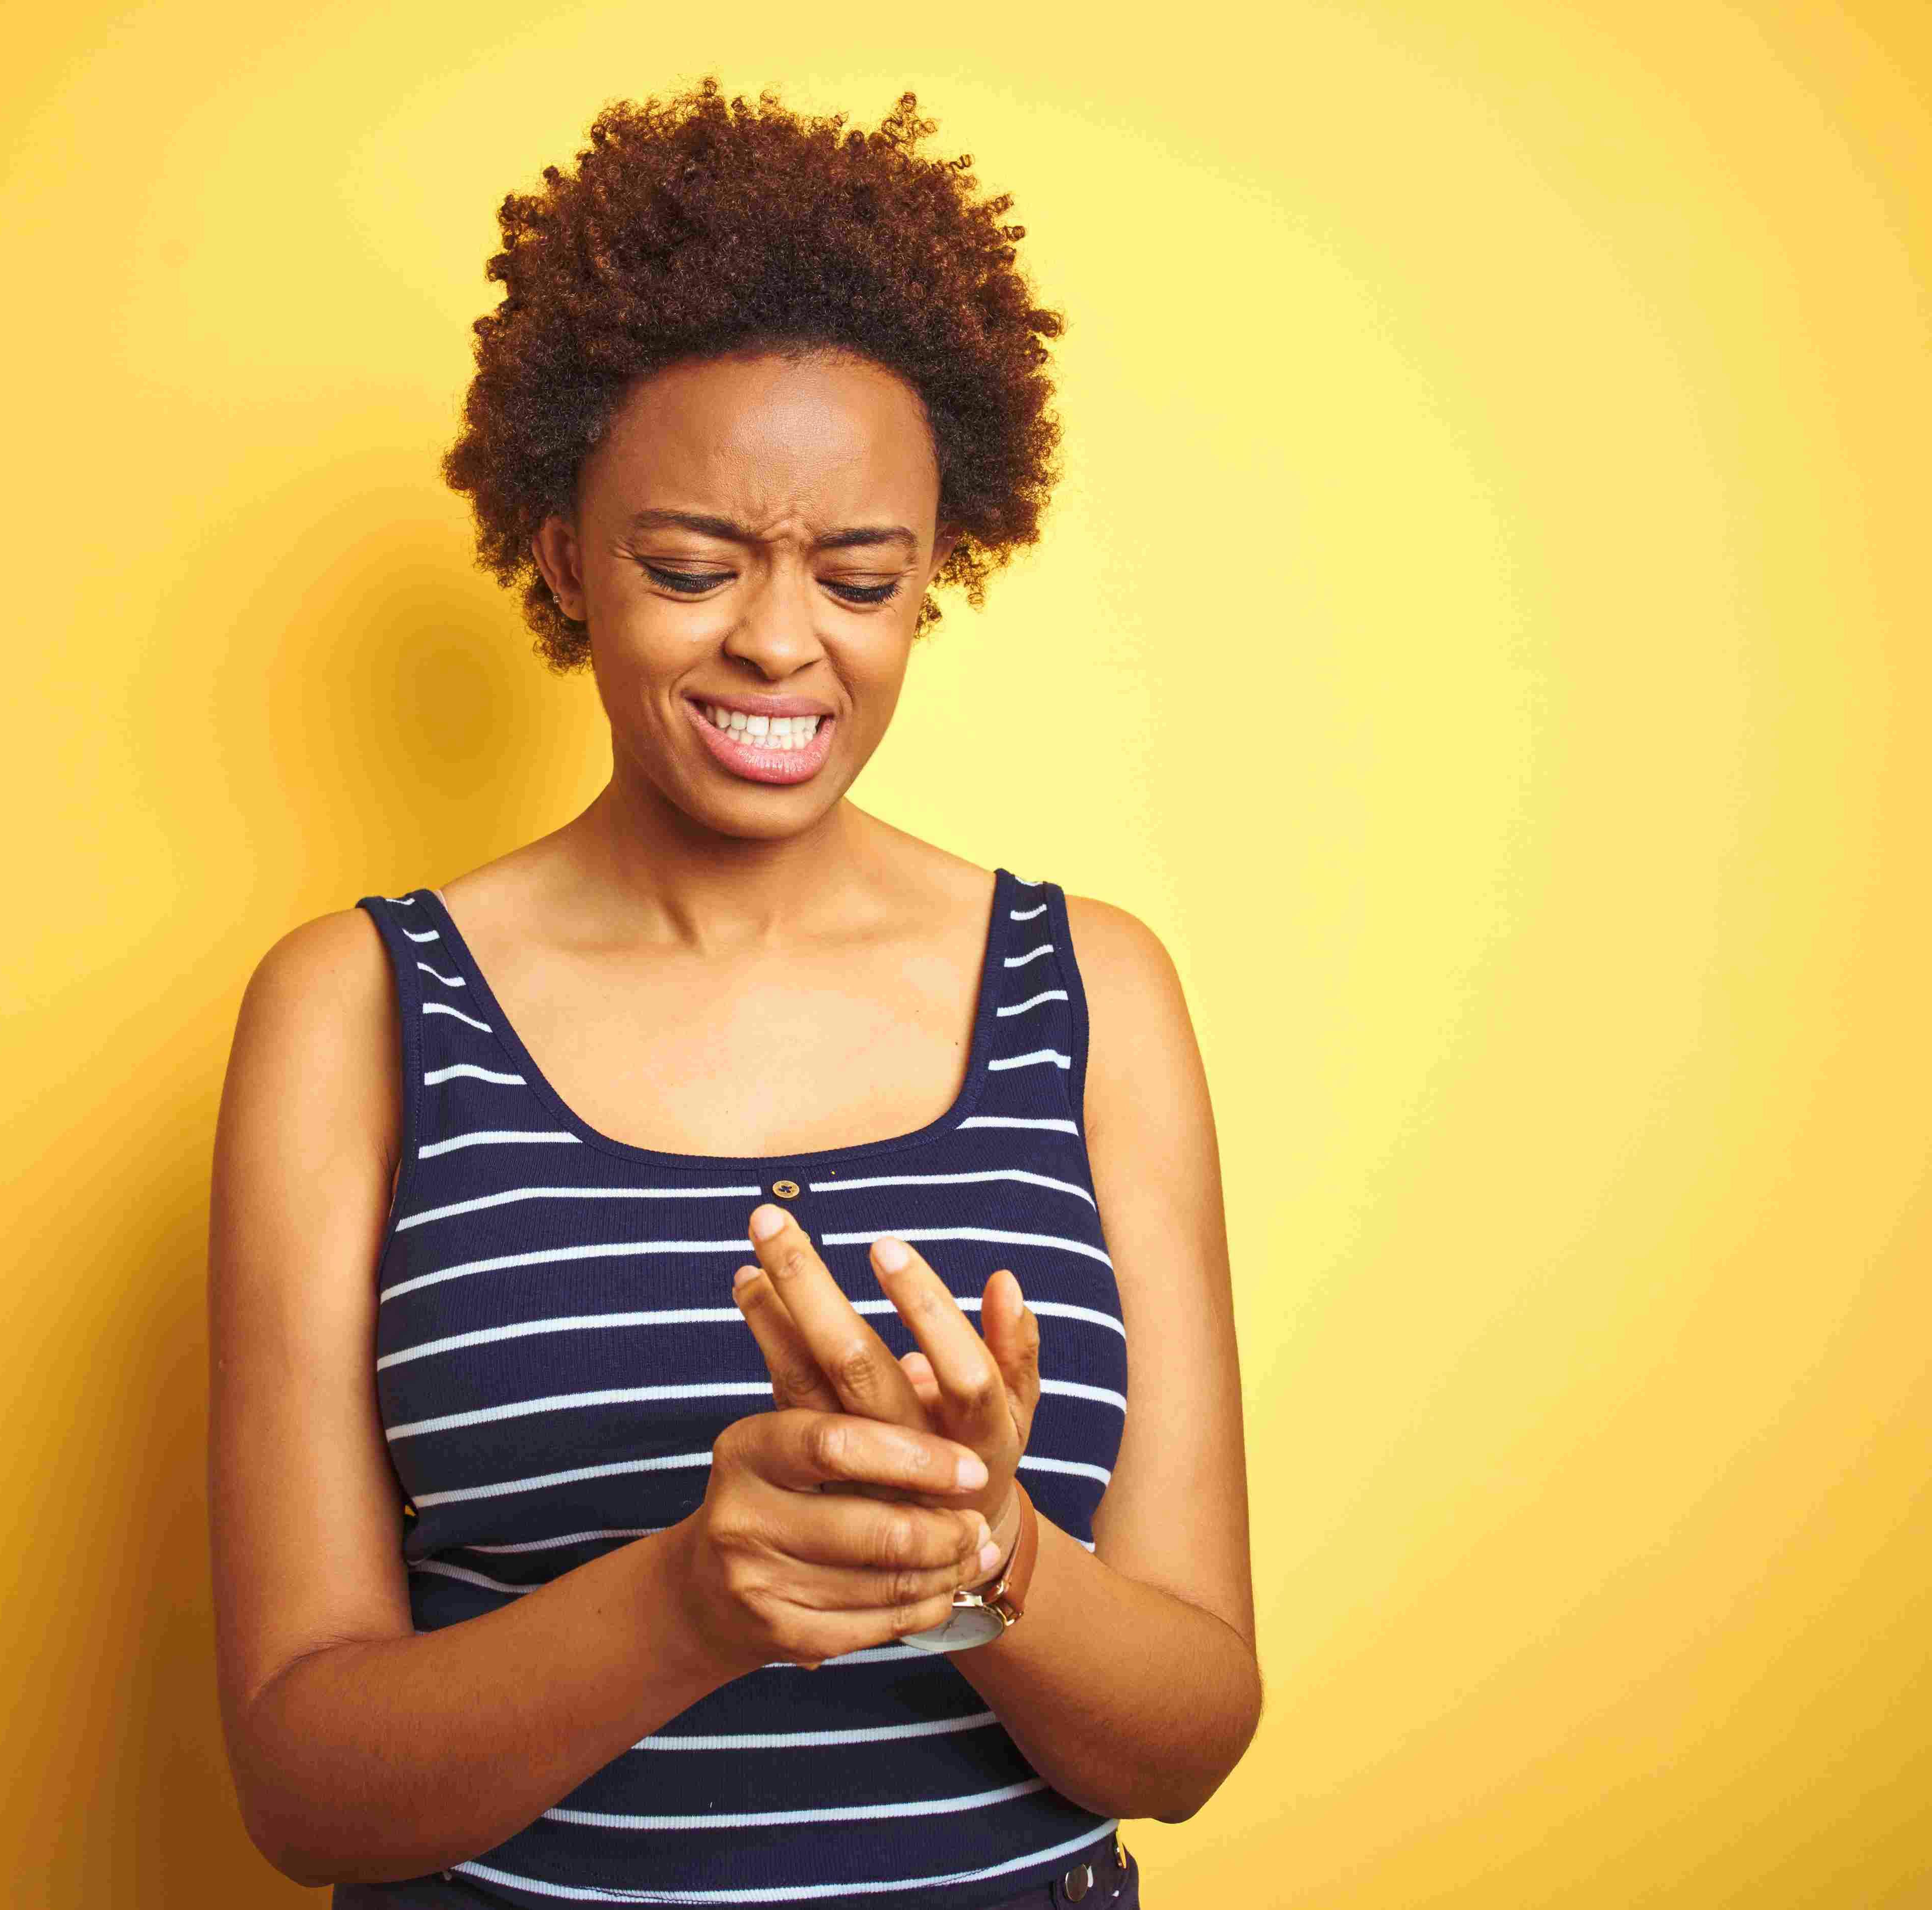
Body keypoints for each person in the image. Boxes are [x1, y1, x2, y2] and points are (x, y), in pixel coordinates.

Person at [207, 78, 1259, 1910]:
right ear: (560, 556)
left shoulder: (1093, 992)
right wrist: (693, 1597)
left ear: (937, 577)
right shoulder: (357, 1013)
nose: (781, 641)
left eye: (862, 576)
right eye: (692, 566)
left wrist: (984, 1547)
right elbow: (305, 1786)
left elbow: (1186, 1742)